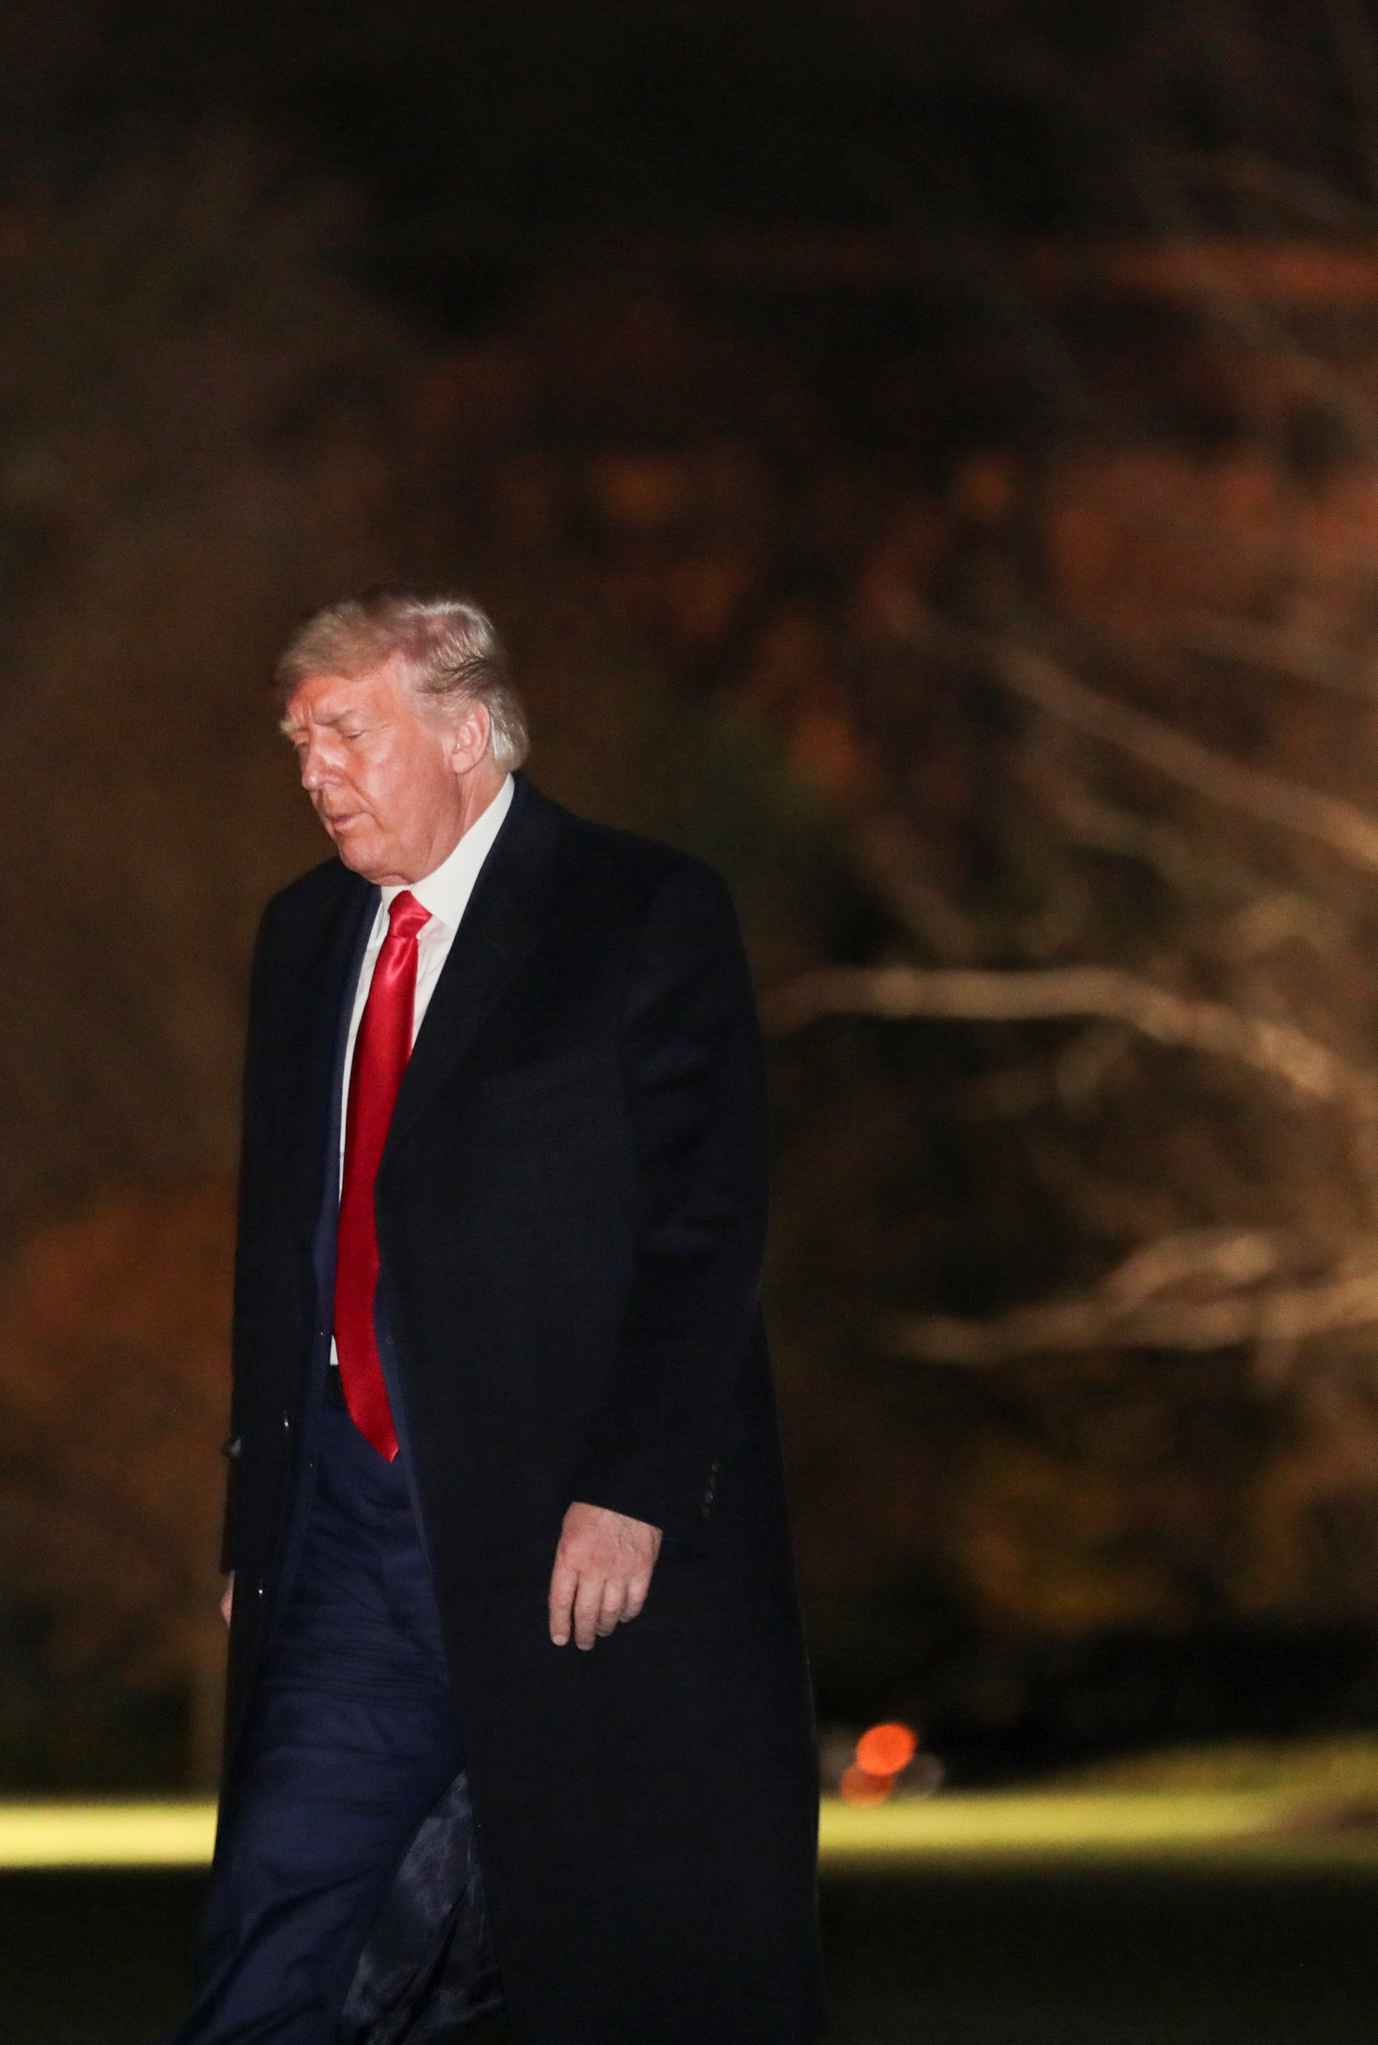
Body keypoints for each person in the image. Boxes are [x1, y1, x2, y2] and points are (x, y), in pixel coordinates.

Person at [173, 587, 824, 2044]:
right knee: (276, 1919)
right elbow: (282, 1242)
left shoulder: (639, 912)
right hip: (350, 1534)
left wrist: (632, 1489)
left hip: (564, 1543)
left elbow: (706, 1230)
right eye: (297, 740)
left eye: (343, 731)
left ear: (467, 730)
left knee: (605, 1958)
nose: (312, 770)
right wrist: (257, 1506)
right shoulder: (302, 937)